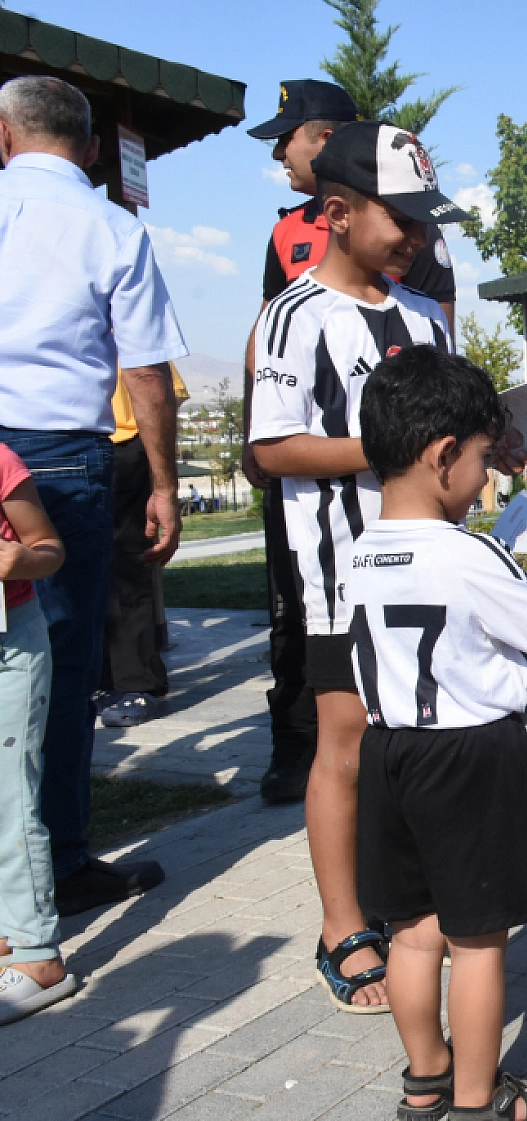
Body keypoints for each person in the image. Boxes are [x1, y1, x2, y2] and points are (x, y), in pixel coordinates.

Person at [347, 348, 527, 1121]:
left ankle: (426, 1078)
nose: (488, 478)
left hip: (390, 751)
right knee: (481, 938)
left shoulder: (357, 550)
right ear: (442, 455)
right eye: (486, 460)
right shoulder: (468, 553)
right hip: (471, 756)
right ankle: (479, 1096)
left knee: (414, 932)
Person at [249, 120, 466, 1014]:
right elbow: (275, 447)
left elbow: (452, 433)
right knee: (345, 744)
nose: (416, 237)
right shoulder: (294, 316)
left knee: (418, 740)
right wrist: (383, 448)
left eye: (425, 220)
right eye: (400, 218)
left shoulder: (423, 316)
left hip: (431, 572)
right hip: (342, 573)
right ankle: (343, 923)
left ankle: (413, 902)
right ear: (336, 213)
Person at [0, 76, 186, 916]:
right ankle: (59, 861)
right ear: (94, 148)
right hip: (62, 458)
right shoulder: (112, 225)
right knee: (63, 673)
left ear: (4, 139)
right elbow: (144, 369)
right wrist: (163, 482)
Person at [0, 441, 78, 1024]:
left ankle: (37, 955)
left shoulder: (0, 460)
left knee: (10, 797)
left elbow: (49, 548)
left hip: (10, 644)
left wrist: (20, 561)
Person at [96, 363, 190, 728]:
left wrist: (161, 474)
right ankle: (100, 678)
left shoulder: (127, 332)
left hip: (124, 445)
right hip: (65, 444)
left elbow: (167, 395)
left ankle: (137, 682)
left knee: (128, 567)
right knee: (77, 570)